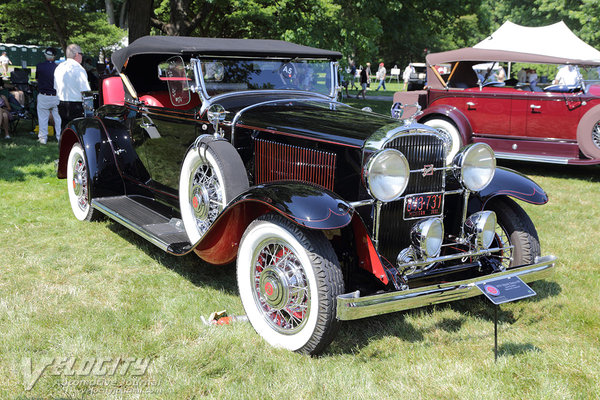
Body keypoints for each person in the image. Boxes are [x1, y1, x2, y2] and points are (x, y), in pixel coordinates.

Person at [54, 44, 90, 133]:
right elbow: (86, 90)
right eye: (82, 54)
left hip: (61, 103)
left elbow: (56, 87)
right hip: (76, 105)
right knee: (78, 132)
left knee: (65, 129)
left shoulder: (59, 67)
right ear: (77, 54)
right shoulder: (79, 69)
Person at [36, 47, 61, 145]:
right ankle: (60, 138)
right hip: (56, 95)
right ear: (54, 56)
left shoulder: (40, 66)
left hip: (44, 95)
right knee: (58, 119)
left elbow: (38, 79)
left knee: (43, 118)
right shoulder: (58, 67)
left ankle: (43, 138)